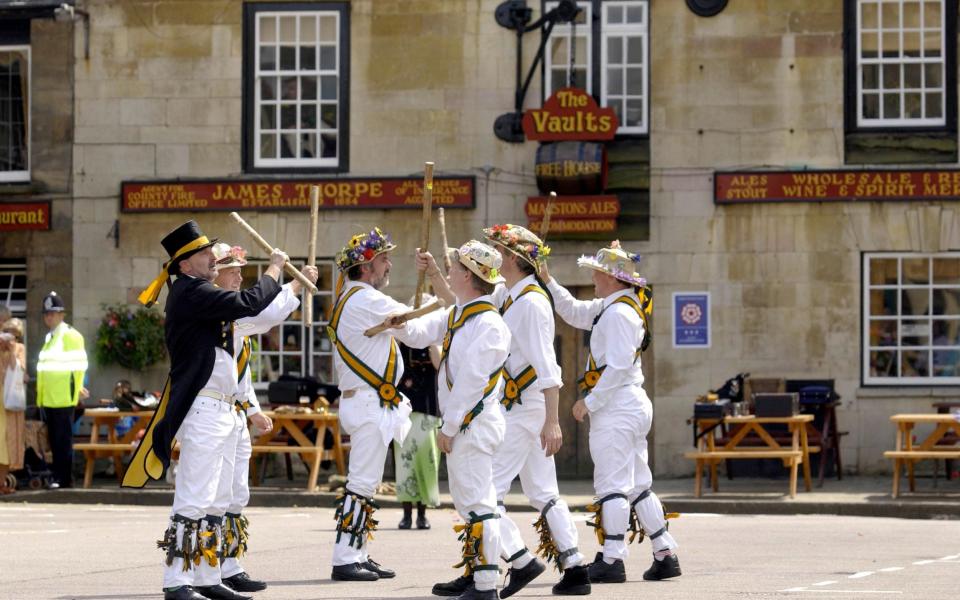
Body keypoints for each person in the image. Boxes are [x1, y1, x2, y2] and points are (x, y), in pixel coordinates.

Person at [122, 220, 286, 600]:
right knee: (194, 498)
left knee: (215, 501)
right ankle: (176, 580)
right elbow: (248, 302)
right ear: (184, 265)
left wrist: (286, 287)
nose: (213, 257)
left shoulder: (200, 291)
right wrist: (274, 269)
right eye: (203, 254)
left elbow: (250, 315)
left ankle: (209, 577)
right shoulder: (190, 292)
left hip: (224, 410)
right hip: (205, 410)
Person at [541, 241, 681, 584]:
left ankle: (612, 558)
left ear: (615, 280)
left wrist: (588, 402)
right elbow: (572, 311)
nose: (593, 276)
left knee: (612, 485)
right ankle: (665, 553)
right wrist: (547, 279)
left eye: (599, 273)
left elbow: (617, 367)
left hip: (618, 404)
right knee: (637, 485)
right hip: (626, 404)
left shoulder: (618, 313)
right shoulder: (613, 307)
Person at [389, 240, 510, 600]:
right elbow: (420, 332)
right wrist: (397, 325)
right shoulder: (459, 313)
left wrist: (450, 426)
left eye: (456, 267)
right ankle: (476, 572)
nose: (451, 271)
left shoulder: (488, 324)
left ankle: (486, 583)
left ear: (470, 277)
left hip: (474, 423)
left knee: (479, 501)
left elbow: (472, 382)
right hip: (465, 424)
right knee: (467, 500)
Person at [210, 242, 318, 594]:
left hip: (234, 412)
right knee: (215, 494)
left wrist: (254, 410)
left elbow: (239, 375)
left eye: (241, 269)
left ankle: (230, 564)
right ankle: (209, 569)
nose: (240, 276)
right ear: (216, 273)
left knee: (237, 492)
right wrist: (294, 284)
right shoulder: (217, 308)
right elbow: (265, 316)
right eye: (234, 270)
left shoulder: (234, 319)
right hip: (210, 412)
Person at [327, 227, 414, 582]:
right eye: (383, 260)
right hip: (367, 403)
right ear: (365, 267)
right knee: (361, 483)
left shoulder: (354, 298)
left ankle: (358, 553)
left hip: (365, 403)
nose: (388, 265)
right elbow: (414, 316)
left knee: (366, 482)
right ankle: (346, 558)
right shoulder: (364, 299)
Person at [393, 293, 442, 531]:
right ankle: (406, 513)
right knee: (405, 461)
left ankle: (423, 513)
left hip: (428, 406)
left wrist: (432, 337)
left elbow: (439, 364)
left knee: (427, 461)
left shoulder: (434, 340)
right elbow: (395, 365)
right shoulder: (405, 340)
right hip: (406, 406)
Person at [36, 291, 88, 489]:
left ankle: (63, 478)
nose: (48, 317)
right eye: (46, 313)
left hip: (64, 397)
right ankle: (58, 475)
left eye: (53, 313)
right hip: (50, 398)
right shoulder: (50, 337)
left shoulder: (70, 336)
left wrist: (76, 392)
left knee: (62, 441)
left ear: (61, 315)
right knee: (56, 441)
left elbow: (80, 365)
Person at [1, 318, 27, 494]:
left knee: (7, 442)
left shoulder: (19, 349)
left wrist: (11, 351)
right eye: (7, 332)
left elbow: (19, 370)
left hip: (9, 401)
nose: (11, 338)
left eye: (15, 335)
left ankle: (1, 481)